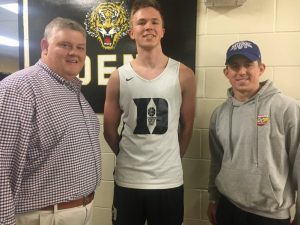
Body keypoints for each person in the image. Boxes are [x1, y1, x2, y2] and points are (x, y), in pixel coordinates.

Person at [0, 17, 101, 225]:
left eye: (80, 47)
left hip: (80, 211)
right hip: (45, 217)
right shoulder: (19, 89)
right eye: (65, 45)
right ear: (45, 46)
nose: (74, 52)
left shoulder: (74, 92)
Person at [103, 0, 196, 224]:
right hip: (128, 181)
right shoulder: (118, 77)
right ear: (131, 32)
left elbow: (187, 128)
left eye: (155, 22)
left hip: (168, 182)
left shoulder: (184, 74)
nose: (148, 27)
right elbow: (108, 131)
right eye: (141, 22)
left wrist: (169, 159)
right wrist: (128, 157)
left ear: (162, 31)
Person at [207, 40, 300, 225]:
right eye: (235, 66)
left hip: (270, 216)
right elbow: (216, 162)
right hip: (228, 207)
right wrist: (213, 199)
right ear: (227, 73)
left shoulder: (287, 109)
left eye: (248, 64)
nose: (242, 71)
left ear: (261, 68)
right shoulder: (219, 114)